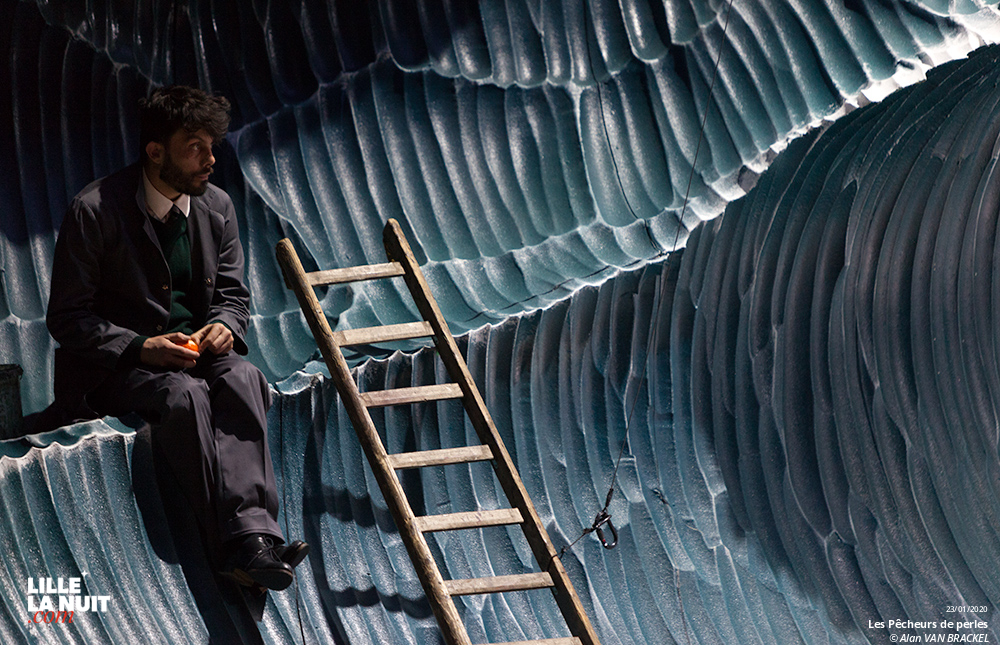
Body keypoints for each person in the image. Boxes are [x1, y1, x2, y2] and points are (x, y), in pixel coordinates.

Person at [45, 85, 307, 591]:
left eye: (213, 146)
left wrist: (225, 326)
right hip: (117, 368)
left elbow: (233, 296)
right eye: (195, 148)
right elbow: (68, 317)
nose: (211, 159)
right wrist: (140, 346)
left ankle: (252, 538)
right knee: (184, 397)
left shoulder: (217, 207)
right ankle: (239, 546)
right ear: (156, 151)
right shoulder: (94, 210)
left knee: (244, 377)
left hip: (194, 356)